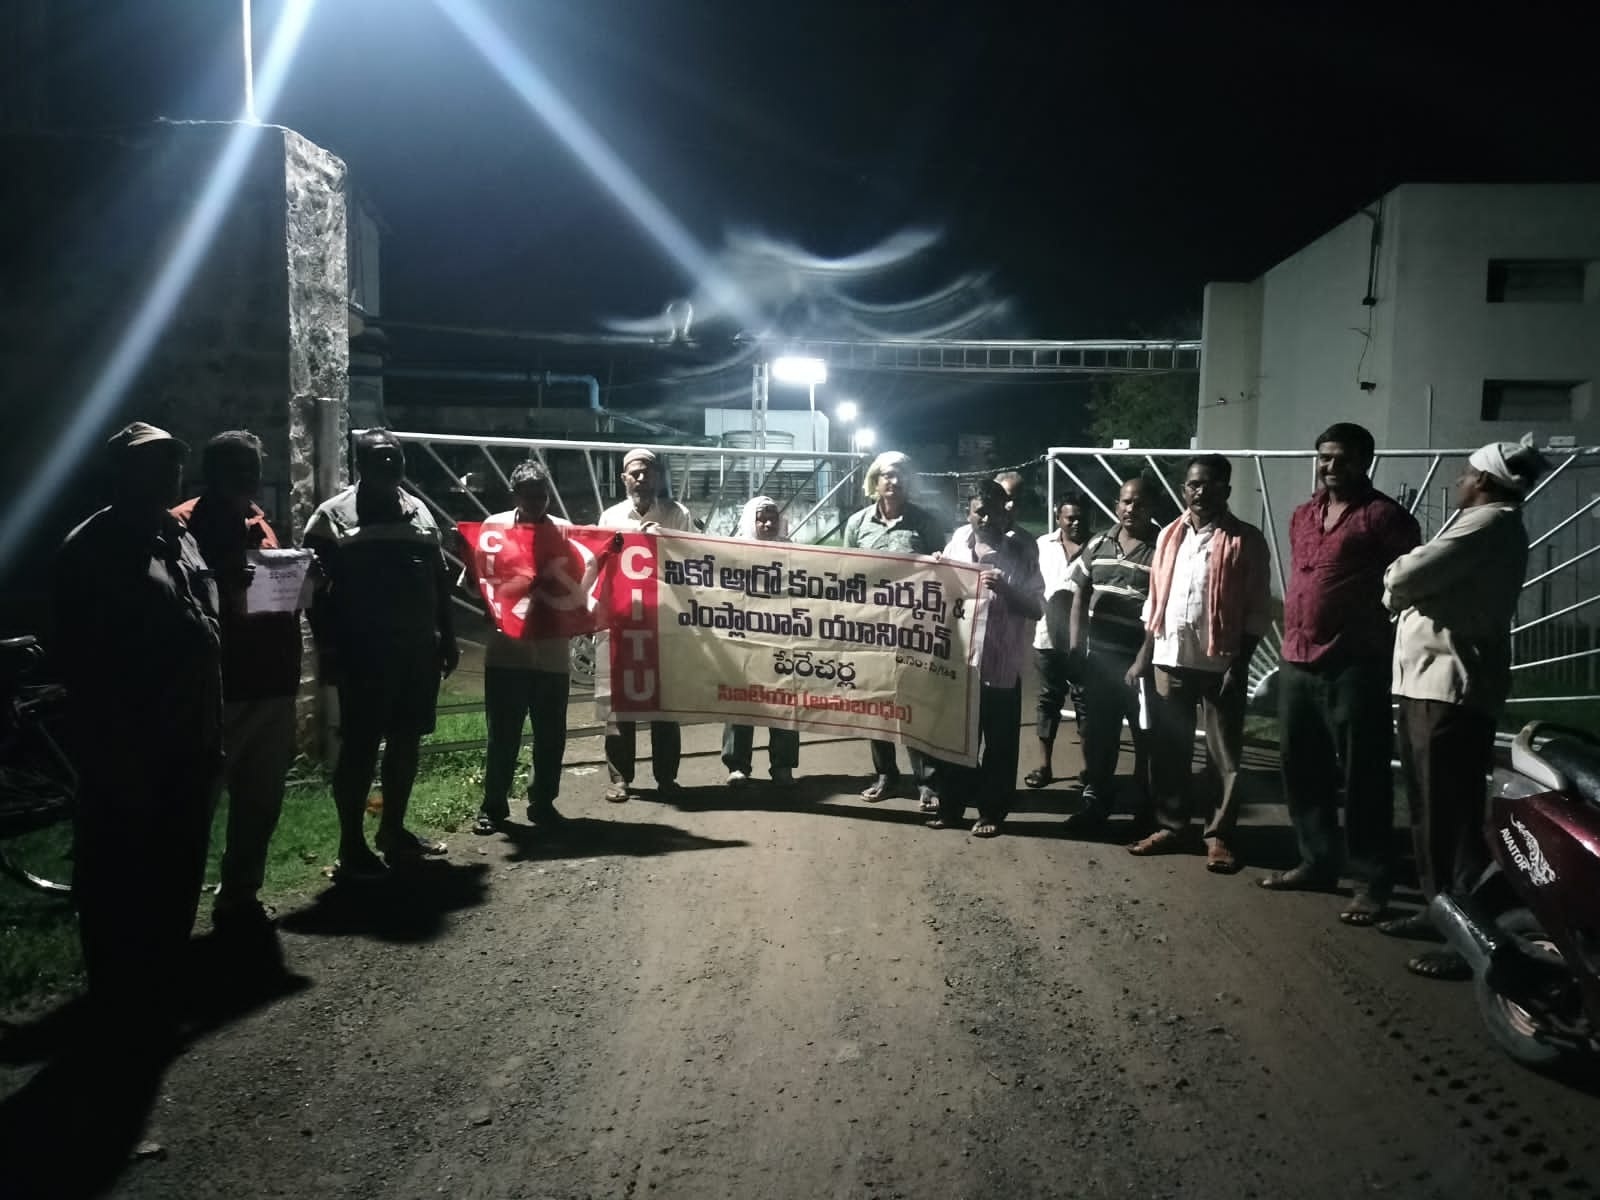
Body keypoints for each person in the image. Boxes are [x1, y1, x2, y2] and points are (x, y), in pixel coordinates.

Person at [54, 422, 222, 1024]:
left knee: (180, 860)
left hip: (193, 733)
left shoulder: (180, 536)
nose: (167, 473)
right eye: (151, 463)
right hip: (132, 741)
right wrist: (109, 743)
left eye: (172, 462)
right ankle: (115, 997)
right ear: (121, 473)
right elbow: (78, 654)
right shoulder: (92, 547)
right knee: (119, 868)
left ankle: (164, 979)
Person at [1378, 434, 1547, 980]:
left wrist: (1400, 587)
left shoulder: (1486, 523)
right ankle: (1442, 912)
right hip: (1435, 685)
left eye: (1466, 473)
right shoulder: (1490, 523)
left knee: (1449, 815)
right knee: (1432, 810)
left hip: (1448, 688)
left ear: (1485, 481)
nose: (1458, 480)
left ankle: (1471, 936)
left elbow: (1404, 576)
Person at [1260, 424, 1420, 923]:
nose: (1330, 467)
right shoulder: (1303, 515)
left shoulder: (1384, 518)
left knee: (1363, 775)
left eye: (1341, 459)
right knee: (1302, 767)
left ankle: (1371, 880)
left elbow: (1409, 584)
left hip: (1354, 664)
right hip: (1297, 658)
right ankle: (1317, 861)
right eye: (1324, 458)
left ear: (1364, 462)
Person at [305, 429, 458, 881]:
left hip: (417, 653)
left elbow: (438, 582)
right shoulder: (332, 516)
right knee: (360, 747)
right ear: (360, 464)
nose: (389, 465)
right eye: (379, 458)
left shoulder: (419, 511)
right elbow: (313, 593)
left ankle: (392, 830)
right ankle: (351, 844)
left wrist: (447, 637)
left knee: (406, 742)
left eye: (395, 457)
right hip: (364, 655)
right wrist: (329, 650)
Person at [171, 431, 302, 937]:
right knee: (194, 807)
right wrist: (222, 582)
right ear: (212, 472)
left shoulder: (259, 522)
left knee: (260, 802)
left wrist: (305, 578)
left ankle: (240, 896)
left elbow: (276, 592)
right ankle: (173, 913)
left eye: (253, 468)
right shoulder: (181, 525)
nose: (248, 478)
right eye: (237, 467)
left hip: (272, 681)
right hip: (217, 690)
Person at [1127, 454, 1271, 873]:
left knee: (1222, 754)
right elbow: (1156, 600)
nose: (1200, 491)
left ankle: (1218, 835)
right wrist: (1145, 655)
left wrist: (1239, 663)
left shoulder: (1246, 540)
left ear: (1226, 489)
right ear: (1184, 489)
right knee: (1169, 749)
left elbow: (1257, 609)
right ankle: (1172, 826)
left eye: (1210, 484)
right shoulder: (1170, 535)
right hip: (1170, 657)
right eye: (1193, 484)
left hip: (1220, 662)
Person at [929, 479, 1044, 837]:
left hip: (1001, 667)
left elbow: (1036, 608)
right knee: (955, 740)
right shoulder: (957, 543)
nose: (987, 518)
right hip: (960, 665)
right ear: (969, 512)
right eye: (980, 511)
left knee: (999, 746)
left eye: (994, 511)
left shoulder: (1021, 552)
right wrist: (934, 570)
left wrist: (1006, 589)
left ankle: (992, 811)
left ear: (1004, 513)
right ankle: (951, 808)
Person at [472, 461, 573, 834]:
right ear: (514, 495)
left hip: (552, 652)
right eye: (529, 495)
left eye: (541, 495)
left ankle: (542, 802)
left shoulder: (565, 532)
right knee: (503, 734)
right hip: (507, 652)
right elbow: (477, 586)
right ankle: (493, 805)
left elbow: (584, 578)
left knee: (551, 735)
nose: (536, 502)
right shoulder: (494, 529)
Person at [842, 450, 947, 807]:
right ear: (875, 480)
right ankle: (886, 775)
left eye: (900, 474)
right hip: (871, 629)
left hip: (913, 629)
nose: (894, 481)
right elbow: (846, 573)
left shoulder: (926, 524)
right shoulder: (857, 524)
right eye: (887, 474)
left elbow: (944, 573)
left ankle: (927, 781)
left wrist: (939, 563)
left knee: (914, 705)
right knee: (877, 704)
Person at [598, 447, 696, 802]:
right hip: (623, 622)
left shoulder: (676, 514)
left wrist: (666, 540)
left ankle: (666, 778)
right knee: (619, 703)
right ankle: (620, 777)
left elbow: (695, 560)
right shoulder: (610, 517)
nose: (641, 479)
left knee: (664, 703)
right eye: (635, 473)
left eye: (647, 473)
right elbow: (599, 565)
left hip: (664, 622)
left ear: (657, 477)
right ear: (624, 478)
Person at [1064, 476, 1159, 831]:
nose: (1131, 509)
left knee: (1145, 737)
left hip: (1141, 666)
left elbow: (1162, 610)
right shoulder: (1099, 543)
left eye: (1139, 503)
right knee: (1099, 737)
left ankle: (1145, 807)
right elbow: (1080, 595)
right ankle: (1095, 803)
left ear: (1151, 507)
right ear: (1117, 505)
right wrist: (1076, 647)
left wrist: (1142, 660)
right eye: (1125, 501)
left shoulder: (1162, 548)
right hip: (1100, 664)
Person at [722, 496, 801, 787]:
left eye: (773, 517)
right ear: (749, 521)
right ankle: (737, 765)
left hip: (782, 638)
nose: (768, 523)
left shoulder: (792, 551)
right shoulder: (733, 551)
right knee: (740, 700)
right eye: (761, 518)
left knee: (784, 702)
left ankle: (783, 766)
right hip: (744, 638)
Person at [1026, 494, 1089, 789]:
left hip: (1084, 641)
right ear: (1058, 517)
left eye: (1081, 517)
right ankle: (1044, 766)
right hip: (1045, 636)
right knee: (1048, 700)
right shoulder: (1041, 546)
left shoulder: (1098, 546)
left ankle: (1089, 768)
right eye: (1070, 518)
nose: (1075, 523)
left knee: (1084, 702)